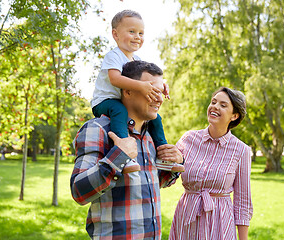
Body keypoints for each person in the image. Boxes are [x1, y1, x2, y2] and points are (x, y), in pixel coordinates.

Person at [71, 60, 184, 239]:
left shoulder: (150, 136)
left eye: (161, 91)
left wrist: (173, 164)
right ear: (128, 90)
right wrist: (118, 157)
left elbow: (153, 183)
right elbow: (78, 192)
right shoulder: (98, 129)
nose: (160, 98)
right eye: (153, 90)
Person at [90, 9, 183, 173]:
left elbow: (148, 77)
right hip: (105, 101)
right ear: (115, 34)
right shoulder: (114, 56)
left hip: (121, 101)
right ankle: (125, 154)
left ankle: (163, 155)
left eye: (141, 33)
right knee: (119, 110)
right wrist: (141, 86)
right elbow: (115, 79)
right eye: (131, 31)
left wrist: (162, 85)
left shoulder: (137, 60)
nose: (137, 37)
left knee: (156, 118)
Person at [169, 87, 253, 240]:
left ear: (234, 116)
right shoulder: (188, 139)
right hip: (187, 218)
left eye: (223, 105)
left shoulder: (241, 150)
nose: (215, 106)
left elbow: (242, 202)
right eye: (213, 102)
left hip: (220, 223)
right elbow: (169, 177)